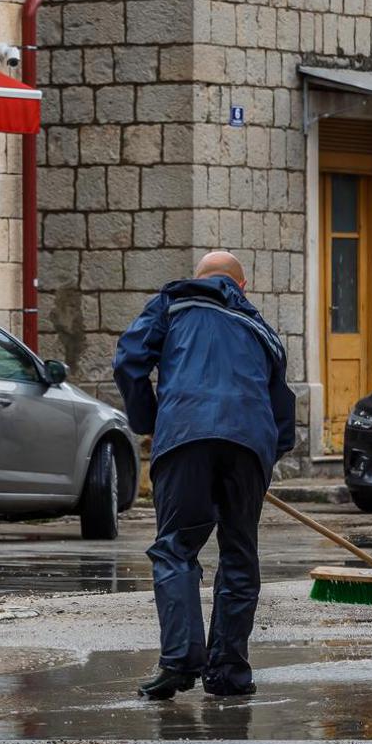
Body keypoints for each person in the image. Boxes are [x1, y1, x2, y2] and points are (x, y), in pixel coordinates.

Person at [113, 251, 296, 699]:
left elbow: (129, 362)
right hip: (249, 445)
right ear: (242, 287)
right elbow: (283, 409)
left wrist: (151, 421)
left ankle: (179, 660)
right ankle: (229, 673)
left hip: (186, 438)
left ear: (199, 279)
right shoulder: (263, 331)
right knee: (238, 555)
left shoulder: (172, 304)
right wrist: (263, 457)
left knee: (176, 549)